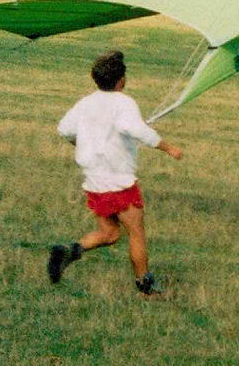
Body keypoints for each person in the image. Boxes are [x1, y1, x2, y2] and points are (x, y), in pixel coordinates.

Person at [48, 50, 183, 295]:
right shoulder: (125, 103)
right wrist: (169, 148)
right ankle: (146, 286)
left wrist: (83, 143)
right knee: (136, 233)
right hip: (120, 182)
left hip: (94, 181)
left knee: (109, 234)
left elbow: (65, 129)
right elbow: (139, 131)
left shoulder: (86, 102)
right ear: (121, 80)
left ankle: (69, 251)